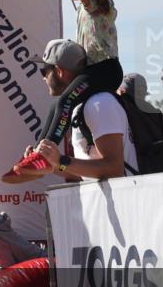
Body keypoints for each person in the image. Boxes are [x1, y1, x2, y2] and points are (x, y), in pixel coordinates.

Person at [8, 0, 123, 177]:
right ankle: (37, 152)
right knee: (57, 105)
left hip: (104, 69)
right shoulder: (95, 1)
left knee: (65, 102)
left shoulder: (93, 1)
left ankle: (44, 157)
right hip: (101, 69)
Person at [23, 39, 138, 181]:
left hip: (128, 194)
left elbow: (114, 169)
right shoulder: (78, 107)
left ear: (59, 71)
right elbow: (84, 174)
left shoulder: (100, 103)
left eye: (44, 71)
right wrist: (52, 163)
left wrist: (61, 161)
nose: (43, 78)